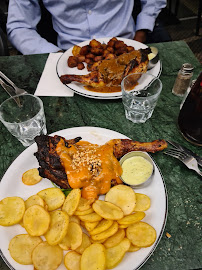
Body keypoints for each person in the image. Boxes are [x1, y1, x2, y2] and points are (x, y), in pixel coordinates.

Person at [7, 0, 167, 55]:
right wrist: (55, 55)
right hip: (69, 53)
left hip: (126, 45)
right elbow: (18, 25)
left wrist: (142, 31)